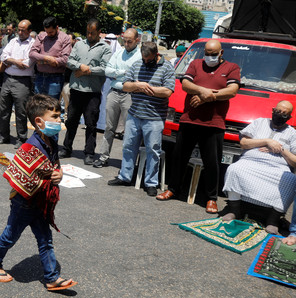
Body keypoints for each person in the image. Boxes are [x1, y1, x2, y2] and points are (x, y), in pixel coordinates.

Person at [0, 94, 77, 291]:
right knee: (10, 235)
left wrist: (57, 174)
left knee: (45, 239)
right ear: (39, 121)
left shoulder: (50, 140)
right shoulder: (30, 147)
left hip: (40, 201)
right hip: (24, 202)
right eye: (56, 116)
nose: (60, 120)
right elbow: (22, 176)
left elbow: (53, 166)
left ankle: (52, 278)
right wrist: (49, 177)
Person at [156, 40, 241, 214]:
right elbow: (186, 84)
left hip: (214, 123)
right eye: (207, 53)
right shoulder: (195, 64)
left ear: (221, 53)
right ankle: (173, 189)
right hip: (189, 119)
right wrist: (204, 92)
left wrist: (208, 97)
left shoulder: (232, 68)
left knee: (212, 163)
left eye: (213, 54)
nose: (210, 57)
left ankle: (211, 198)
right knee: (179, 157)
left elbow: (232, 91)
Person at [107, 42, 175, 197]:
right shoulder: (137, 64)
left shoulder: (167, 67)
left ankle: (151, 183)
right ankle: (125, 176)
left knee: (153, 150)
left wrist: (148, 89)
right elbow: (125, 86)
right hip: (135, 114)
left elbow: (167, 91)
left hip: (154, 117)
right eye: (144, 59)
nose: (145, 62)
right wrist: (139, 85)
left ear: (156, 55)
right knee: (128, 146)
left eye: (149, 59)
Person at [222, 101, 296, 234]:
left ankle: (273, 220)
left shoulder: (292, 133)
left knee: (290, 179)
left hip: (277, 168)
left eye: (284, 114)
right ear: (273, 110)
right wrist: (267, 141)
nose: (280, 115)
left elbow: (295, 161)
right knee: (235, 169)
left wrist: (280, 148)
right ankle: (234, 210)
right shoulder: (259, 122)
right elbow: (244, 143)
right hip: (251, 161)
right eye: (278, 111)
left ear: (290, 117)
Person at [60, 19, 111, 165]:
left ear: (99, 32)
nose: (89, 35)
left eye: (92, 33)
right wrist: (81, 66)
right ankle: (66, 148)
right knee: (71, 120)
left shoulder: (105, 48)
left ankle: (89, 153)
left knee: (91, 123)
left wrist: (87, 71)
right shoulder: (79, 44)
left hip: (92, 92)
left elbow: (104, 68)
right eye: (88, 32)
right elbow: (70, 61)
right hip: (76, 89)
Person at [94, 28, 142, 168]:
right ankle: (103, 156)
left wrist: (117, 74)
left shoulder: (139, 56)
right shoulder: (119, 52)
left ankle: (128, 163)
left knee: (129, 130)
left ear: (137, 40)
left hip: (130, 95)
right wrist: (123, 72)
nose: (126, 44)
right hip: (114, 92)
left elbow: (135, 76)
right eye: (124, 41)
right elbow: (107, 70)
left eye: (130, 41)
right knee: (109, 127)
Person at [0, 19, 34, 147]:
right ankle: (4, 136)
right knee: (3, 109)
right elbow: (3, 57)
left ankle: (21, 138)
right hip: (8, 79)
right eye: (19, 29)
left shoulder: (33, 44)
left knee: (21, 111)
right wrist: (16, 61)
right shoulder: (13, 41)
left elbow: (27, 64)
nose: (20, 32)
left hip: (22, 82)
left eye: (23, 30)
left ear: (29, 31)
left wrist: (11, 61)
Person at [29, 16, 71, 101]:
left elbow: (66, 59)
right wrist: (47, 59)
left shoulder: (65, 38)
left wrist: (41, 61)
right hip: (40, 76)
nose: (48, 34)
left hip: (55, 79)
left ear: (57, 27)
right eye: (46, 32)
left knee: (51, 106)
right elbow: (32, 54)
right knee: (38, 105)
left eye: (51, 32)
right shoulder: (41, 36)